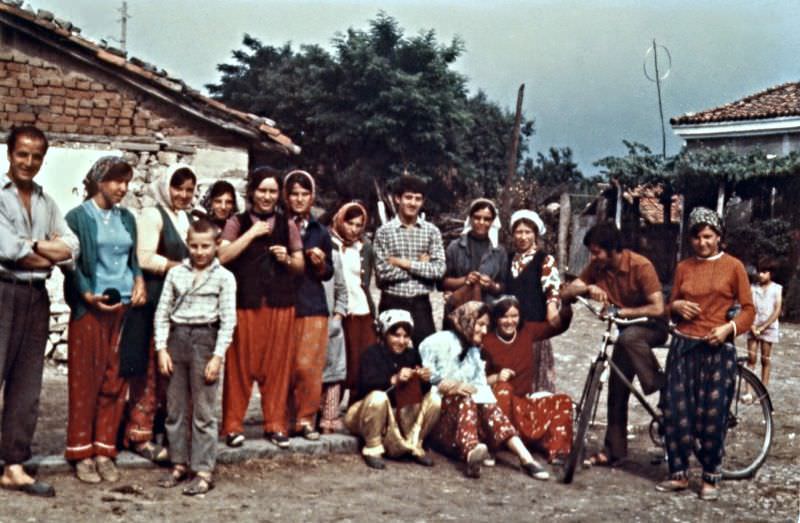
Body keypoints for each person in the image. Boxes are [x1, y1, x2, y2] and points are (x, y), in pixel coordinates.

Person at [0, 126, 79, 497]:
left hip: (36, 297)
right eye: (22, 154)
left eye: (36, 156)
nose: (28, 162)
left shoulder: (47, 203)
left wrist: (34, 247)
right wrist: (46, 249)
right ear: (9, 154)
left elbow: (72, 247)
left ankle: (13, 466)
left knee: (27, 385)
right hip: (3, 290)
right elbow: (9, 250)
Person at [657, 207, 754, 500]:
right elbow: (670, 305)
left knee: (712, 415)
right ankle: (678, 473)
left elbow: (749, 310)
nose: (703, 243)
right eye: (697, 237)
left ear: (719, 236)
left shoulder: (734, 267)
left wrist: (728, 329)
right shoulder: (684, 267)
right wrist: (675, 307)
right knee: (676, 411)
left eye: (708, 236)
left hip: (717, 349)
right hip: (683, 346)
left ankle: (710, 476)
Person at [63, 157, 146, 484]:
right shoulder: (77, 217)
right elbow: (70, 265)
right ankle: (81, 453)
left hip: (124, 308)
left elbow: (133, 259)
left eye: (126, 182)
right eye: (116, 181)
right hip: (92, 309)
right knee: (85, 381)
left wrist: (138, 280)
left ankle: (104, 450)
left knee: (115, 380)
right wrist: (86, 295)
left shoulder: (127, 218)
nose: (123, 188)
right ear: (99, 181)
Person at [561, 221, 667, 467]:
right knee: (617, 389)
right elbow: (567, 291)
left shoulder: (641, 266)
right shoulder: (598, 266)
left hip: (652, 327)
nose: (592, 257)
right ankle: (614, 450)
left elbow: (658, 308)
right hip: (626, 331)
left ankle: (661, 384)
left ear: (613, 250)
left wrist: (623, 312)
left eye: (597, 252)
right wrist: (588, 288)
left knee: (628, 338)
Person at [218, 167, 304, 448]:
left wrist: (286, 259)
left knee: (277, 366)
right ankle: (232, 426)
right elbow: (222, 255)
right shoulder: (237, 221)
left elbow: (300, 265)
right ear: (252, 192)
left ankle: (275, 424)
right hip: (246, 303)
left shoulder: (287, 224)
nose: (267, 197)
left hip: (280, 303)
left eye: (272, 191)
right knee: (240, 366)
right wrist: (251, 234)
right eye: (262, 190)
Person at [420, 301, 549, 480]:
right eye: (480, 324)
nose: (484, 330)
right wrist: (453, 386)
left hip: (464, 419)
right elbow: (425, 377)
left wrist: (483, 397)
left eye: (486, 326)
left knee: (487, 404)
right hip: (439, 421)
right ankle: (471, 451)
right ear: (466, 322)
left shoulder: (474, 352)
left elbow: (481, 388)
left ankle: (525, 457)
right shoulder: (436, 342)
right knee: (466, 397)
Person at [154, 218, 237, 496]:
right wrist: (161, 349)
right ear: (187, 245)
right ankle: (178, 464)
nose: (199, 252)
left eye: (205, 246)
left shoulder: (225, 278)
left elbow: (228, 321)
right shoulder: (176, 274)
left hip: (206, 341)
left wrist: (217, 356)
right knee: (175, 409)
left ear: (216, 245)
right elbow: (162, 313)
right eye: (194, 246)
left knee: (204, 411)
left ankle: (203, 470)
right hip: (177, 339)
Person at [124, 163, 197, 462]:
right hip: (154, 301)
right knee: (150, 369)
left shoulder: (186, 218)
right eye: (178, 188)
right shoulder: (153, 215)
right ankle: (138, 436)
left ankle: (167, 433)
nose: (183, 195)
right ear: (166, 187)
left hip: (177, 304)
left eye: (189, 190)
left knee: (172, 371)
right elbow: (143, 257)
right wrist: (178, 267)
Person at [482, 295, 574, 464]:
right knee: (503, 388)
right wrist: (496, 378)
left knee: (563, 401)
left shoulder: (527, 331)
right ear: (496, 318)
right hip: (502, 407)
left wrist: (566, 304)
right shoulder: (486, 341)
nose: (510, 321)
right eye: (504, 317)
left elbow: (557, 327)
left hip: (524, 405)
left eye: (514, 316)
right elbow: (476, 380)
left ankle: (558, 451)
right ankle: (494, 446)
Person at [345, 309, 440, 469]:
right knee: (378, 397)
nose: (402, 341)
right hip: (368, 414)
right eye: (396, 335)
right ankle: (373, 448)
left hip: (400, 416)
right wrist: (394, 379)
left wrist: (424, 380)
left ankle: (415, 444)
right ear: (384, 334)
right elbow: (365, 386)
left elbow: (420, 393)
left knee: (435, 399)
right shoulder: (371, 354)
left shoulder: (412, 355)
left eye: (406, 336)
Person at [283, 170, 334, 440]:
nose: (299, 199)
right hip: (283, 303)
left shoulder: (320, 231)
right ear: (286, 196)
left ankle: (305, 419)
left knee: (308, 367)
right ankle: (283, 419)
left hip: (313, 304)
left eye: (305, 194)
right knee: (284, 365)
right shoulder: (277, 226)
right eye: (294, 194)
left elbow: (328, 273)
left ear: (312, 197)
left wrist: (320, 263)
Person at [374, 175, 446, 348]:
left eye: (418, 199)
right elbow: (382, 272)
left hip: (421, 303)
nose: (413, 203)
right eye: (408, 197)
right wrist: (422, 267)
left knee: (427, 350)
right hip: (392, 300)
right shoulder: (384, 232)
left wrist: (404, 263)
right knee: (390, 351)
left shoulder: (431, 232)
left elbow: (439, 270)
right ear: (397, 199)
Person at [505, 210, 560, 392]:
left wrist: (552, 307)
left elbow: (552, 288)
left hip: (533, 327)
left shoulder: (544, 260)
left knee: (535, 378)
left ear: (535, 234)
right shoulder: (508, 259)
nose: (523, 237)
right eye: (519, 232)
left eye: (528, 232)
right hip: (509, 327)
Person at [329, 201, 377, 401]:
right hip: (338, 310)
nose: (354, 229)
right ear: (341, 220)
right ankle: (330, 406)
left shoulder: (365, 247)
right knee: (339, 359)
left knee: (362, 359)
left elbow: (366, 280)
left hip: (361, 308)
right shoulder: (329, 242)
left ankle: (357, 405)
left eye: (359, 225)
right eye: (350, 223)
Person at [442, 198, 507, 314]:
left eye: (487, 219)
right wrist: (465, 280)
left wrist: (491, 285)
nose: (481, 222)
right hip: (458, 308)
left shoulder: (499, 251)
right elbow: (443, 282)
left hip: (488, 310)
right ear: (470, 218)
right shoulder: (455, 247)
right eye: (477, 217)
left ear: (492, 221)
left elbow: (503, 285)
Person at [320, 242, 348, 434]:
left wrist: (338, 315)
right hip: (306, 322)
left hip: (330, 321)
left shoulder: (334, 257)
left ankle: (329, 417)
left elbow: (341, 290)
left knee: (333, 371)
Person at [746, 257, 782, 391]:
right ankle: (748, 391)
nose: (760, 274)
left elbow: (777, 310)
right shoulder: (752, 288)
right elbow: (749, 307)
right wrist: (752, 326)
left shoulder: (777, 289)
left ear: (771, 273)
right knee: (751, 357)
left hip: (769, 327)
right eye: (759, 271)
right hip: (753, 325)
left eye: (764, 272)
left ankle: (763, 391)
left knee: (765, 359)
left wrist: (762, 328)